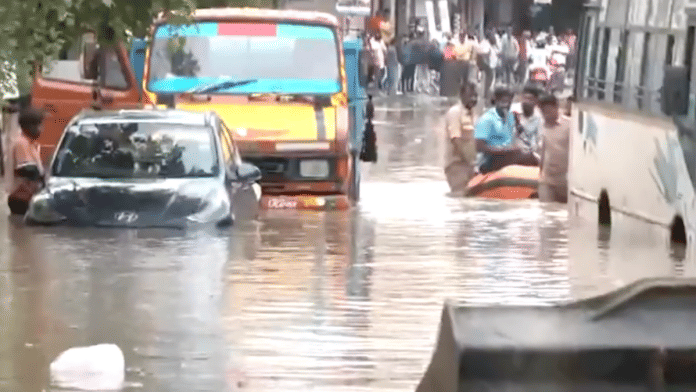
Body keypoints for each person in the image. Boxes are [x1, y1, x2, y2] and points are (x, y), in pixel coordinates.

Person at [474, 86, 539, 174]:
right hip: (489, 159)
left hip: (506, 156)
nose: (506, 105)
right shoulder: (487, 119)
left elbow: (518, 136)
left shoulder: (510, 117)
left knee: (531, 156)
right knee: (527, 157)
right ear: (495, 100)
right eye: (503, 102)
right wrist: (505, 150)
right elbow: (479, 147)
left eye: (509, 102)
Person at [8, 107, 45, 215]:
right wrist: (44, 176)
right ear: (30, 126)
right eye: (40, 125)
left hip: (25, 196)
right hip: (21, 197)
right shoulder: (22, 143)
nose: (42, 129)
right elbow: (28, 169)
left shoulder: (29, 143)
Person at [445, 82, 479, 195]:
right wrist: (470, 160)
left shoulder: (474, 114)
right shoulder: (455, 113)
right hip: (456, 165)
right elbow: (456, 140)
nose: (473, 99)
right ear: (461, 95)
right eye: (471, 96)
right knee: (460, 196)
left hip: (471, 165)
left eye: (476, 96)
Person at [538, 94, 570, 203]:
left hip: (565, 181)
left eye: (548, 111)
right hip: (547, 180)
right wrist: (540, 173)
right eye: (543, 112)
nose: (546, 115)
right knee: (546, 211)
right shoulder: (540, 126)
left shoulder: (569, 125)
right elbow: (542, 152)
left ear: (556, 107)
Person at [511, 84, 544, 154]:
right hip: (511, 153)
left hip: (530, 155)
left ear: (536, 101)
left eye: (531, 99)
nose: (527, 101)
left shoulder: (539, 116)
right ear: (521, 97)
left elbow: (540, 138)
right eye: (526, 98)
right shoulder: (511, 111)